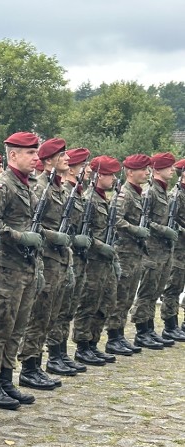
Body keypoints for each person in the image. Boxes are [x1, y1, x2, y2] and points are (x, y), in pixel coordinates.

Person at [0, 132, 42, 410]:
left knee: (17, 326)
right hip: (6, 267)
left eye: (36, 152)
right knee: (0, 326)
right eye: (30, 153)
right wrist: (18, 237)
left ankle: (6, 379)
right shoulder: (2, 185)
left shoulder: (27, 184)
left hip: (26, 265)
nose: (36, 158)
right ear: (13, 155)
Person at [17, 139, 72, 390]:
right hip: (45, 259)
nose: (68, 159)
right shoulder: (40, 187)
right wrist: (53, 236)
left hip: (59, 260)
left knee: (49, 315)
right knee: (38, 316)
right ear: (49, 160)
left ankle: (37, 364)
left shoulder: (59, 188)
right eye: (63, 156)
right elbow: (34, 225)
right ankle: (29, 366)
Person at [72, 156, 122, 363]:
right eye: (111, 174)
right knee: (89, 303)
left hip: (106, 261)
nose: (114, 179)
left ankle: (93, 342)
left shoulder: (104, 198)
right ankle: (82, 346)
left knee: (105, 302)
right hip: (93, 260)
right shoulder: (90, 198)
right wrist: (102, 247)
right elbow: (84, 232)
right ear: (100, 175)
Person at [47, 147, 91, 373]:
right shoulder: (57, 189)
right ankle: (53, 356)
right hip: (52, 258)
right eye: (84, 165)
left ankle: (61, 353)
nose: (89, 169)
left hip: (70, 256)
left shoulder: (73, 191)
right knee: (55, 311)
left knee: (67, 309)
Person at [105, 154, 153, 354]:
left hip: (134, 253)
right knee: (120, 295)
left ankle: (120, 333)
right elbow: (115, 220)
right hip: (124, 252)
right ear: (130, 172)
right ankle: (113, 336)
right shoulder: (124, 194)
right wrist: (135, 230)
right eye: (143, 169)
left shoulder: (137, 193)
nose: (147, 173)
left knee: (128, 296)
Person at [130, 152, 178, 348]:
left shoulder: (162, 191)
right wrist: (164, 230)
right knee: (147, 291)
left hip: (164, 251)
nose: (173, 170)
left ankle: (149, 328)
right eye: (169, 167)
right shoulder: (150, 192)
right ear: (157, 169)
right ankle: (142, 331)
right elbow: (146, 220)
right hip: (152, 250)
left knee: (156, 290)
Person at [160, 158, 185, 341]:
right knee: (173, 287)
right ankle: (170, 325)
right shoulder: (175, 196)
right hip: (178, 249)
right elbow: (170, 222)